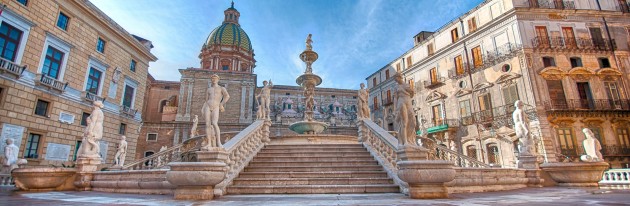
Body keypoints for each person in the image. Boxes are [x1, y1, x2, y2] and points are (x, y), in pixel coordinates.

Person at [201, 74, 230, 149]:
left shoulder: (221, 88)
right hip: (208, 105)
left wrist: (221, 104)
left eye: (215, 78)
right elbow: (206, 100)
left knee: (214, 123)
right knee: (207, 124)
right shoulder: (209, 89)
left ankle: (218, 142)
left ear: (218, 79)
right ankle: (209, 143)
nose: (214, 80)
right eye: (212, 78)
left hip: (216, 106)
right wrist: (202, 108)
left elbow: (227, 96)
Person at [393, 73, 416, 146]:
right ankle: (404, 141)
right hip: (401, 101)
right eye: (395, 79)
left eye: (396, 78)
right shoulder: (396, 87)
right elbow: (395, 98)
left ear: (400, 77)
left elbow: (412, 94)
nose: (396, 80)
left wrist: (409, 91)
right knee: (404, 122)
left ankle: (410, 139)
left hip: (408, 101)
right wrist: (395, 109)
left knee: (413, 121)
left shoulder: (407, 85)